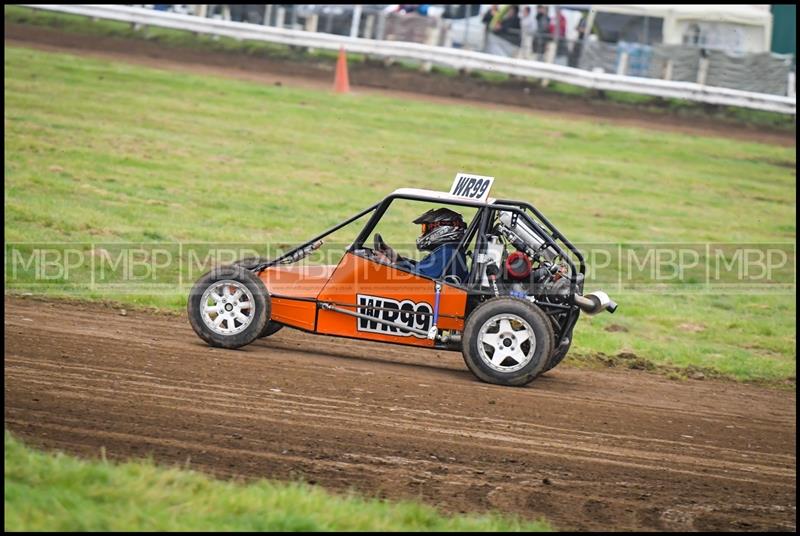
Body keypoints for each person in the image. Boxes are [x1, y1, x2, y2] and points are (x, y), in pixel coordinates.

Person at [374, 208, 469, 282]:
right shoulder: (447, 250)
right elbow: (420, 269)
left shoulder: (448, 252)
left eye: (425, 228)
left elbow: (419, 279)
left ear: (442, 228)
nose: (423, 233)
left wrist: (390, 265)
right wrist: (397, 259)